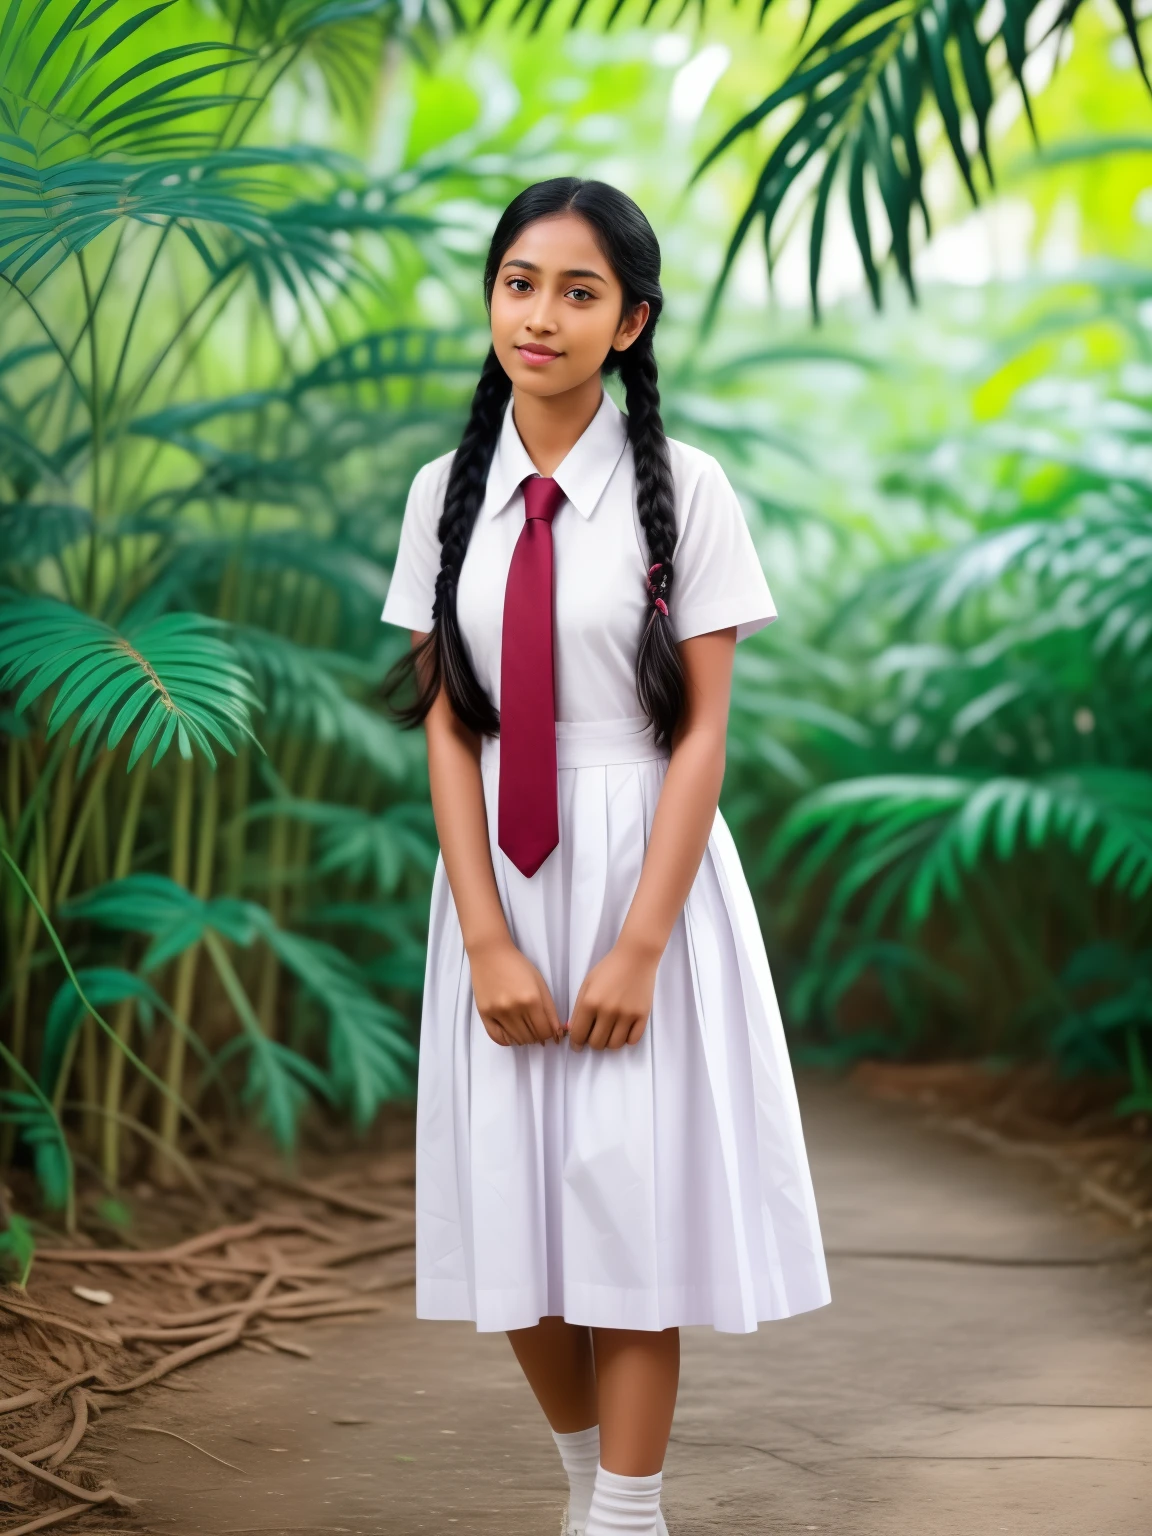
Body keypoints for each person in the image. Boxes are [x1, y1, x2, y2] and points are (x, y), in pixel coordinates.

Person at [380, 177, 829, 1536]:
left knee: (629, 1206)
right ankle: (585, 1483)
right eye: (521, 281)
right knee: (514, 1212)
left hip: (649, 867)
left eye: (581, 293)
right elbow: (448, 726)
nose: (543, 314)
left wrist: (640, 941)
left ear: (630, 324)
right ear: (491, 297)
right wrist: (486, 935)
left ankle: (629, 1512)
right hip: (500, 883)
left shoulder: (683, 492)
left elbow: (700, 737)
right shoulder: (442, 494)